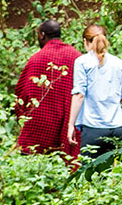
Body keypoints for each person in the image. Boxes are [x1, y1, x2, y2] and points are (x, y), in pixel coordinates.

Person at [15, 19, 80, 163]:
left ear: (42, 35)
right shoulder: (76, 56)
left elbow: (22, 93)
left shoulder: (36, 59)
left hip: (40, 126)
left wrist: (22, 115)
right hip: (70, 122)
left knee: (33, 162)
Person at [66, 24, 122, 156]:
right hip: (117, 126)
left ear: (85, 41)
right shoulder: (119, 63)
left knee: (89, 171)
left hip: (93, 127)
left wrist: (71, 124)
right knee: (113, 172)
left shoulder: (82, 62)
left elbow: (79, 95)